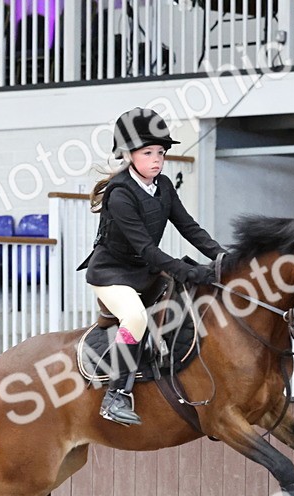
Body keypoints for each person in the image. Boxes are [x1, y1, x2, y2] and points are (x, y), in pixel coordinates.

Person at [79, 107, 228, 427]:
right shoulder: (119, 194)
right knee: (135, 317)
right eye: (148, 153)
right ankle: (115, 395)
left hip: (145, 273)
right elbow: (146, 250)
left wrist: (220, 256)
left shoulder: (163, 186)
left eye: (160, 152)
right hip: (112, 274)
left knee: (190, 299)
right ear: (129, 155)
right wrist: (187, 270)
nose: (157, 159)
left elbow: (189, 227)